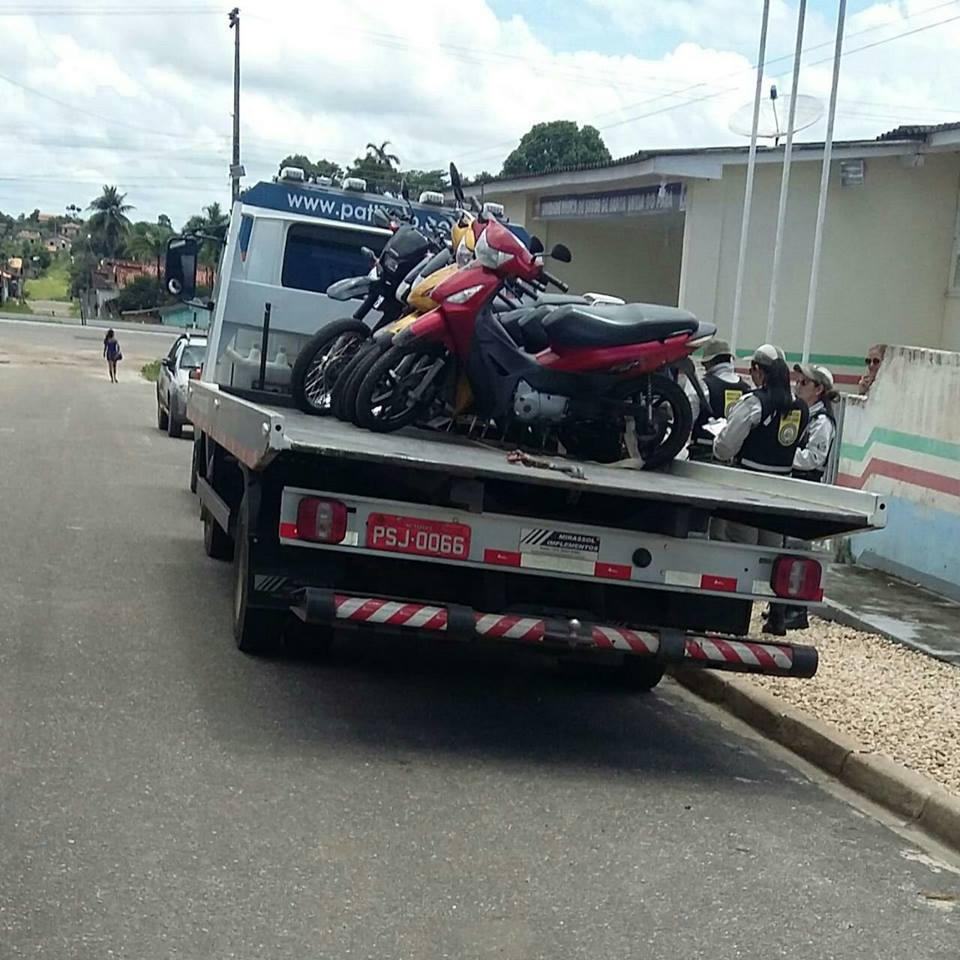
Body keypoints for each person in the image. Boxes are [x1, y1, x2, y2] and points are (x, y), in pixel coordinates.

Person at [712, 344, 809, 636]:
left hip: (747, 485)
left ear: (758, 371)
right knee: (772, 554)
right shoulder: (800, 408)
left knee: (741, 551)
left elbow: (726, 445)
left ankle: (735, 617)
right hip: (780, 488)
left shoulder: (754, 402)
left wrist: (718, 444)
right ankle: (777, 615)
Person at [780, 362, 840, 631]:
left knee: (797, 548)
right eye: (798, 381)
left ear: (818, 389)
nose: (798, 386)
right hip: (793, 485)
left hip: (805, 487)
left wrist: (781, 455)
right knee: (785, 546)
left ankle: (796, 609)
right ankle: (781, 607)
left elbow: (814, 458)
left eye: (804, 383)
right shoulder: (802, 413)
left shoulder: (822, 422)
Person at [686, 337, 752, 460]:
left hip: (702, 452)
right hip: (733, 457)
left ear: (711, 362)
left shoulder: (703, 386)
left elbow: (688, 418)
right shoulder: (746, 389)